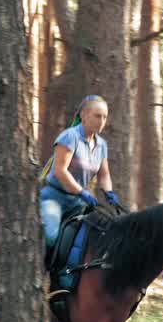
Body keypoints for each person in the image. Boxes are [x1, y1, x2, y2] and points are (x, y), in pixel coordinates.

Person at [39, 94, 122, 249]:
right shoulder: (70, 137)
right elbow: (60, 171)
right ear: (84, 115)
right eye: (97, 116)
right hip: (54, 198)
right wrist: (81, 192)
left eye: (104, 117)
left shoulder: (102, 145)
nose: (102, 121)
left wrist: (109, 192)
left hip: (78, 203)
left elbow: (103, 175)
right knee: (51, 236)